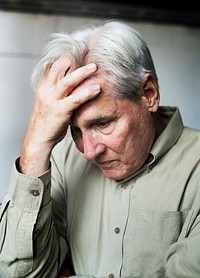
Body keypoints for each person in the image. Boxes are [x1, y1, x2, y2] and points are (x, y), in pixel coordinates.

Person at [0, 19, 200, 278]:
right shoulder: (61, 160)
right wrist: (37, 141)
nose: (88, 152)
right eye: (75, 130)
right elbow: (18, 272)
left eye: (103, 123)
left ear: (149, 94)